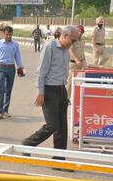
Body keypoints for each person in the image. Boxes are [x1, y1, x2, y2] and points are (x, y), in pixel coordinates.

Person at [22, 26, 79, 159]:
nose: (73, 43)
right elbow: (41, 72)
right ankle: (28, 143)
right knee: (52, 125)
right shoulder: (50, 47)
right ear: (64, 36)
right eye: (72, 40)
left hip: (61, 90)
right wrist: (41, 93)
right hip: (49, 90)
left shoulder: (66, 50)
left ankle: (59, 159)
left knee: (62, 128)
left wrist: (65, 93)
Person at [0, 26, 25, 119]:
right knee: (1, 89)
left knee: (8, 90)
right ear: (3, 34)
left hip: (11, 69)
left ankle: (6, 110)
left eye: (10, 34)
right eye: (7, 34)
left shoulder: (15, 44)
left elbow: (17, 56)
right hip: (1, 68)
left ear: (12, 34)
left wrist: (20, 67)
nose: (8, 36)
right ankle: (1, 111)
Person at [67, 25, 87, 99]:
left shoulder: (82, 40)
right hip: (73, 63)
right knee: (70, 81)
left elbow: (82, 50)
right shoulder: (73, 39)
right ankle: (67, 98)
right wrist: (76, 60)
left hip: (82, 62)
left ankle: (83, 96)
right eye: (79, 31)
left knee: (85, 79)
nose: (80, 33)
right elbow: (70, 50)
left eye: (81, 31)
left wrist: (84, 60)